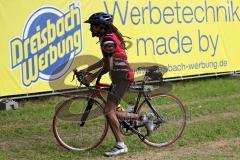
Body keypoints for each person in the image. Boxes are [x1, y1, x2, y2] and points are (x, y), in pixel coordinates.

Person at [82, 12, 153, 157]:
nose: (90, 29)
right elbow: (105, 61)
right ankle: (143, 118)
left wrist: (92, 76)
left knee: (108, 111)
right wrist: (87, 70)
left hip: (122, 77)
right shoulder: (106, 38)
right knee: (111, 110)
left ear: (101, 26)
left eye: (93, 26)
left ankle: (121, 145)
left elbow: (108, 65)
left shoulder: (108, 40)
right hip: (120, 77)